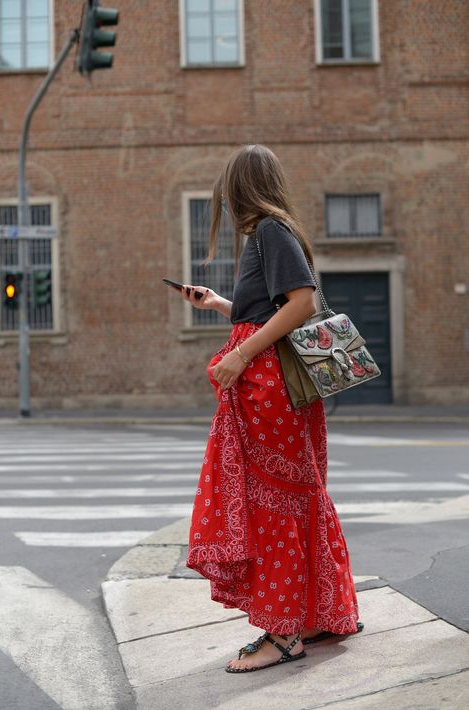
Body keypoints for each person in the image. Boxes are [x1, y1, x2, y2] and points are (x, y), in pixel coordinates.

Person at [182, 144, 362, 673]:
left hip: (268, 391)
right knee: (294, 496)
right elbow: (267, 309)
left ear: (240, 190)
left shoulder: (268, 231)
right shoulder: (270, 234)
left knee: (274, 504)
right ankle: (316, 614)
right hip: (272, 388)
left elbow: (302, 301)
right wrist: (219, 304)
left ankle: (284, 633)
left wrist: (238, 353)